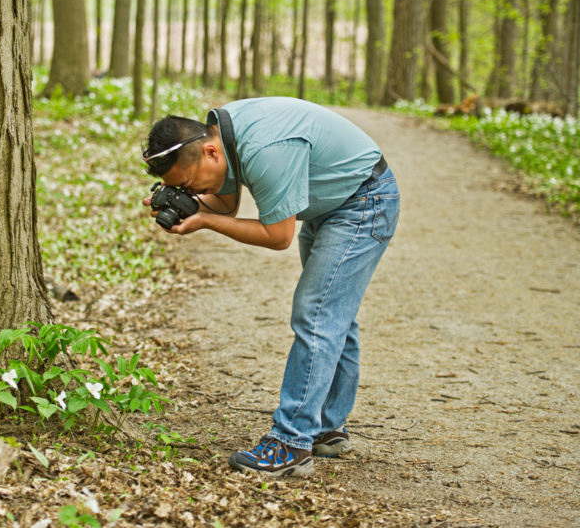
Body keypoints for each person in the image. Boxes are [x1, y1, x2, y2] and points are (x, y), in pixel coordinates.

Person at [141, 97, 399, 478]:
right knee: (333, 314)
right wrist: (188, 206)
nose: (193, 191)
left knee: (316, 314)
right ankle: (327, 428)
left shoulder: (264, 148)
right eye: (183, 188)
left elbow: (277, 235)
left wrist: (205, 221)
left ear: (209, 151)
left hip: (362, 203)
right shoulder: (220, 132)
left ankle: (291, 443)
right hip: (329, 206)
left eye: (189, 183)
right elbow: (225, 204)